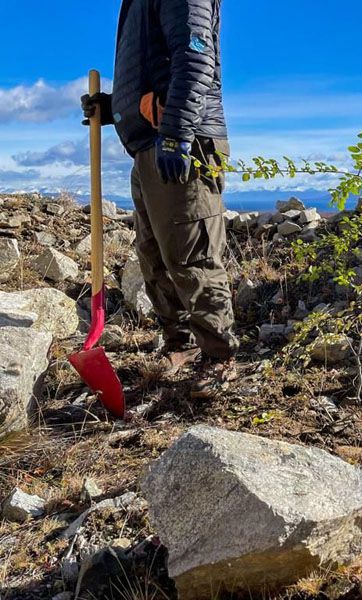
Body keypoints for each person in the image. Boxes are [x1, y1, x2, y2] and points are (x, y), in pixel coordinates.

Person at [82, 0, 238, 397]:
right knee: (154, 257)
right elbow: (156, 67)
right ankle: (180, 347)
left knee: (192, 257)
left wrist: (177, 131)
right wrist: (114, 106)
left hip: (182, 143)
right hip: (151, 144)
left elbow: (195, 56)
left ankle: (220, 360)